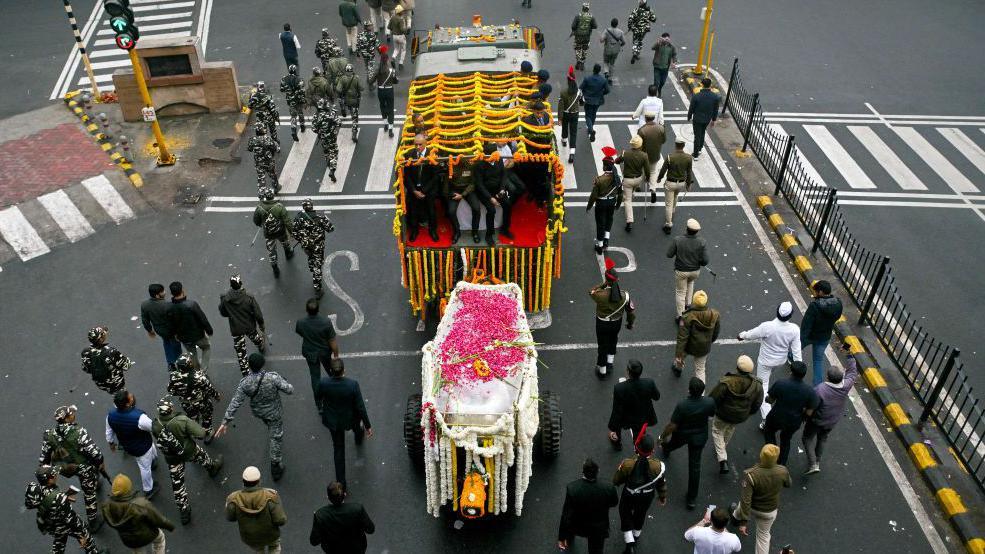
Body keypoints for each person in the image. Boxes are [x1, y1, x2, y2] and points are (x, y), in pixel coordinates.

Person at [215, 354, 294, 481]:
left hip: (259, 412)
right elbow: (290, 390)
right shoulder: (272, 377)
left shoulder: (245, 383)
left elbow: (235, 402)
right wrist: (284, 381)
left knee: (269, 425)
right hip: (274, 412)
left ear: (250, 366)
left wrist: (225, 421)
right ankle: (275, 465)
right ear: (262, 364)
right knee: (276, 437)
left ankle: (270, 428)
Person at [151, 399, 224, 524]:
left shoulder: (155, 425)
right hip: (188, 450)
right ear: (170, 409)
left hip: (172, 458)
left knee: (178, 485)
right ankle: (212, 468)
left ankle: (184, 511)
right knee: (203, 457)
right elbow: (201, 433)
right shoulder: (181, 420)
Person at [39, 405, 106, 530]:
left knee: (90, 480)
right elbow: (95, 453)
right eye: (71, 414)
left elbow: (44, 459)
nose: (73, 414)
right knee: (89, 494)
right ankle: (93, 521)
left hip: (67, 467)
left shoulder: (49, 435)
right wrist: (100, 462)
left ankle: (95, 482)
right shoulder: (78, 432)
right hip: (84, 468)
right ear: (67, 418)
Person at [737, 302, 801, 421]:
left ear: (777, 312)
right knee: (769, 379)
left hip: (765, 361)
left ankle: (767, 417)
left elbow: (751, 334)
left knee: (763, 386)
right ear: (790, 315)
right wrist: (798, 369)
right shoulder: (795, 330)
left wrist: (741, 335)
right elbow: (797, 352)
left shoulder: (767, 326)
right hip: (780, 360)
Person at [316, 358, 373, 488]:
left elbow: (318, 396)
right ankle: (358, 437)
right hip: (350, 417)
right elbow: (360, 407)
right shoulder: (352, 385)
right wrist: (368, 425)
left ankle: (341, 484)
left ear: (331, 371)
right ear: (344, 371)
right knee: (357, 427)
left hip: (333, 420)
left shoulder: (323, 383)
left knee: (338, 449)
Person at [660, 378, 716, 509]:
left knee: (672, 444)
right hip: (699, 437)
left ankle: (666, 449)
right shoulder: (710, 402)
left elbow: (672, 425)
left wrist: (662, 437)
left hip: (682, 435)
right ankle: (691, 499)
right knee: (695, 468)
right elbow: (711, 415)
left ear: (689, 390)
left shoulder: (682, 405)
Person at [26, 465, 107, 554]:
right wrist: (81, 535)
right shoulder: (60, 499)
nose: (56, 475)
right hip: (64, 522)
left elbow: (29, 504)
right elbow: (72, 520)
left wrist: (60, 499)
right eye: (54, 475)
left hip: (51, 525)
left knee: (59, 543)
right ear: (49, 480)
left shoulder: (32, 489)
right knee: (85, 536)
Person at [802, 346, 858, 475]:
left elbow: (811, 405)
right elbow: (853, 372)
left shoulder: (820, 389)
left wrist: (805, 416)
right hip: (832, 420)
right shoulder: (846, 385)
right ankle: (817, 460)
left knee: (807, 438)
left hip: (817, 420)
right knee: (822, 439)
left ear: (828, 377)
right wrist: (849, 355)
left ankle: (812, 464)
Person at [730, 444, 791, 554]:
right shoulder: (783, 471)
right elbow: (788, 484)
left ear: (761, 456)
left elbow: (746, 500)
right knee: (763, 536)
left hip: (753, 507)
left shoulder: (751, 475)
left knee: (741, 506)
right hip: (769, 511)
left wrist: (744, 522)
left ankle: (735, 519)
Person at [612, 434, 667, 553]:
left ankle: (629, 543)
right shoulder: (659, 466)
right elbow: (661, 483)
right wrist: (662, 496)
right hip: (647, 496)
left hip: (630, 494)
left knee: (625, 511)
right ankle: (636, 536)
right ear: (652, 451)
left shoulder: (628, 464)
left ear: (637, 448)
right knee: (641, 514)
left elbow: (616, 480)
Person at [709, 355, 763, 474]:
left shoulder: (727, 382)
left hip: (723, 413)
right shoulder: (757, 385)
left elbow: (714, 398)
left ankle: (722, 459)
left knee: (717, 431)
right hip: (740, 416)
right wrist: (748, 413)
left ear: (737, 367)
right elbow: (757, 403)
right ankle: (722, 447)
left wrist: (710, 410)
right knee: (730, 428)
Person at [763, 361, 819, 465]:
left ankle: (771, 453)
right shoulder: (810, 392)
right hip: (794, 422)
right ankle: (781, 464)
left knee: (769, 432)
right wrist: (802, 417)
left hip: (776, 417)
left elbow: (770, 400)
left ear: (791, 371)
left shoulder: (781, 383)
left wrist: (766, 398)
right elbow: (809, 412)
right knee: (785, 440)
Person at [557, 459, 618, 554]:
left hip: (578, 523)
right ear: (598, 471)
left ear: (583, 472)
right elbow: (614, 503)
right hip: (598, 527)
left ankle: (569, 539)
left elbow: (566, 516)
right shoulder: (608, 487)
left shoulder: (573, 488)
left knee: (570, 531)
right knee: (596, 550)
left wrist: (562, 537)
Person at [101, 473, 174, 554]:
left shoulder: (106, 505)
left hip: (128, 539)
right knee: (159, 540)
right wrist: (169, 526)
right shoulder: (140, 504)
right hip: (147, 534)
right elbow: (157, 518)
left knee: (137, 551)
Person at [106, 390, 159, 498]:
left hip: (129, 445)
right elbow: (153, 427)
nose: (132, 396)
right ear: (127, 404)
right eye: (130, 397)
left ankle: (153, 460)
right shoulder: (139, 418)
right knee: (145, 468)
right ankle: (148, 489)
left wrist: (111, 443)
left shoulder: (110, 416)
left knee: (150, 454)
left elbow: (109, 431)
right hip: (142, 446)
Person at [226, 466, 288, 554]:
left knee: (258, 550)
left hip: (250, 538)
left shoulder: (233, 499)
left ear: (243, 481)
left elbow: (230, 517)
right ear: (259, 481)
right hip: (270, 535)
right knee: (274, 548)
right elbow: (281, 520)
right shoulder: (271, 496)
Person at [590, 258, 636, 377]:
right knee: (613, 340)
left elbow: (591, 291)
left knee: (602, 345)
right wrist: (630, 323)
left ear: (607, 280)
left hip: (602, 323)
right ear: (618, 279)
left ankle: (602, 371)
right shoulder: (625, 295)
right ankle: (610, 363)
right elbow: (631, 312)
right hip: (616, 323)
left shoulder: (600, 295)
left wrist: (603, 284)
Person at [219, 274, 266, 376]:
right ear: (240, 283)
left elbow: (223, 312)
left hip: (236, 328)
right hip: (249, 326)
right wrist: (261, 324)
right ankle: (260, 345)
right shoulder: (248, 297)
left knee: (241, 353)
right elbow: (257, 313)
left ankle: (245, 374)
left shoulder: (225, 298)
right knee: (255, 338)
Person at [310, 482, 376, 553]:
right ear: (344, 494)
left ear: (328, 497)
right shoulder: (357, 509)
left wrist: (317, 521)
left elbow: (314, 541)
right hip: (356, 550)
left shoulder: (320, 515)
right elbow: (370, 529)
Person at [607, 359, 659, 450]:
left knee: (618, 425)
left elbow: (617, 410)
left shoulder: (619, 388)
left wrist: (612, 426)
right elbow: (657, 397)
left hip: (626, 417)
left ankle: (617, 442)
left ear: (628, 372)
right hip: (642, 415)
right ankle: (640, 448)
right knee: (639, 433)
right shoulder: (649, 383)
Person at [800, 280, 844, 386]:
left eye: (816, 291)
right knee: (818, 362)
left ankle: (791, 357)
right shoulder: (838, 303)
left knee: (796, 348)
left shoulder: (815, 305)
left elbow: (806, 324)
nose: (815, 293)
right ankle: (817, 386)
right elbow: (837, 317)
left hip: (811, 335)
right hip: (824, 337)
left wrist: (801, 338)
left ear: (820, 292)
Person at [167, 352, 221, 438]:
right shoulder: (199, 376)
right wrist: (217, 396)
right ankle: (207, 432)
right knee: (207, 416)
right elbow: (209, 389)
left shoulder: (174, 376)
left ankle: (196, 431)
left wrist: (182, 393)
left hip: (186, 403)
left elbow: (171, 391)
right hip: (201, 402)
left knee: (192, 416)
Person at [296, 298, 340, 399]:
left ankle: (319, 403)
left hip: (310, 352)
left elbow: (300, 333)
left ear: (307, 310)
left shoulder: (301, 322)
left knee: (315, 377)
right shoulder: (326, 322)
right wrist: (336, 356)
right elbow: (332, 342)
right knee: (332, 372)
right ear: (318, 309)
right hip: (324, 352)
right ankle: (336, 392)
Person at [292, 199, 336, 299]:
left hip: (306, 246)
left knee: (311, 257)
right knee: (318, 264)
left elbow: (294, 233)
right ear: (312, 206)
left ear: (303, 207)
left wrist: (302, 239)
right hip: (318, 245)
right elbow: (331, 229)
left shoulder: (298, 217)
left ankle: (312, 267)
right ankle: (317, 288)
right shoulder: (320, 217)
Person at [473, 141, 514, 246]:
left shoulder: (498, 159)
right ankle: (489, 235)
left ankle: (505, 229)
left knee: (508, 205)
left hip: (497, 189)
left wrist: (502, 189)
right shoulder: (479, 164)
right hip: (484, 192)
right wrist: (490, 198)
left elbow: (503, 175)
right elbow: (479, 184)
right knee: (491, 210)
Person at [674, 290, 721, 382]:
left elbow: (682, 338)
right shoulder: (715, 314)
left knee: (681, 358)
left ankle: (678, 368)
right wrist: (710, 341)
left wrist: (678, 354)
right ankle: (701, 394)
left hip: (689, 346)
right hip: (704, 347)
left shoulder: (687, 317)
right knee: (700, 370)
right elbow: (716, 332)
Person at [667, 218, 709, 319]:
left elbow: (669, 254)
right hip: (694, 271)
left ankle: (681, 315)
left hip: (681, 271)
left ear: (687, 228)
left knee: (680, 292)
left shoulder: (678, 240)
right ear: (697, 231)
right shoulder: (702, 242)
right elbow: (705, 261)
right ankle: (688, 304)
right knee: (690, 283)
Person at [168, 281, 214, 372]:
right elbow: (202, 318)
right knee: (206, 348)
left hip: (185, 338)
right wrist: (209, 330)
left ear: (171, 293)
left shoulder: (170, 308)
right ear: (182, 291)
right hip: (199, 335)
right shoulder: (192, 304)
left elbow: (171, 324)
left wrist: (176, 335)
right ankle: (203, 370)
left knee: (192, 353)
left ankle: (196, 370)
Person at [403, 133, 440, 242]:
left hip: (428, 189)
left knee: (431, 210)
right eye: (416, 145)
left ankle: (433, 230)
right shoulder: (409, 154)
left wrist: (423, 191)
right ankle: (414, 231)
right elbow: (407, 176)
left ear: (426, 143)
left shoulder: (433, 155)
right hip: (414, 189)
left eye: (420, 145)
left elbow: (435, 176)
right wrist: (414, 191)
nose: (417, 147)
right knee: (413, 211)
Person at [253, 187, 295, 279]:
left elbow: (256, 221)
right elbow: (287, 222)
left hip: (269, 234)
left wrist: (261, 223)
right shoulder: (279, 207)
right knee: (285, 243)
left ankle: (275, 268)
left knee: (271, 251)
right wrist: (292, 233)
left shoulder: (260, 207)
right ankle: (288, 254)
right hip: (280, 231)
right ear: (272, 196)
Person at [586, 148, 622, 253]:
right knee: (609, 220)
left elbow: (593, 196)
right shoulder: (617, 178)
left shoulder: (599, 180)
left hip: (601, 203)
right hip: (612, 202)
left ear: (605, 166)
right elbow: (620, 193)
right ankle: (606, 239)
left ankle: (600, 245)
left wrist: (589, 206)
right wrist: (618, 205)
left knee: (600, 223)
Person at [655, 138, 694, 234]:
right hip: (681, 183)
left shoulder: (670, 157)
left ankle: (668, 224)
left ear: (675, 145)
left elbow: (663, 170)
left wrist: (659, 178)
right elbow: (689, 173)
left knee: (668, 203)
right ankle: (673, 210)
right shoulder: (688, 158)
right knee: (676, 196)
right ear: (683, 146)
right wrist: (688, 185)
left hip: (670, 183)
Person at [80, 325, 132, 395]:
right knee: (122, 397)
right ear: (101, 339)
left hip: (101, 383)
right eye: (103, 333)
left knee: (115, 394)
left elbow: (86, 369)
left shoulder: (85, 352)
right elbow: (127, 366)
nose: (105, 333)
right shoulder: (111, 352)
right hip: (116, 383)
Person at [614, 135, 650, 232]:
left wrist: (622, 155)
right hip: (638, 179)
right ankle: (633, 192)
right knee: (633, 188)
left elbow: (616, 161)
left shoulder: (626, 153)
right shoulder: (644, 155)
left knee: (627, 201)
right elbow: (647, 170)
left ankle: (629, 221)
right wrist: (648, 178)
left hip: (628, 180)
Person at [140, 283, 181, 369]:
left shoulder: (145, 305)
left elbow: (145, 320)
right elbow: (174, 320)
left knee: (166, 343)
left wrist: (150, 330)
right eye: (162, 292)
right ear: (157, 295)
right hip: (171, 331)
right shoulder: (167, 305)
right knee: (176, 345)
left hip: (159, 330)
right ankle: (180, 362)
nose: (165, 292)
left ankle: (171, 363)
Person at [445, 157, 481, 244]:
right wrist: (449, 194)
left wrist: (463, 194)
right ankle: (457, 232)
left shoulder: (471, 166)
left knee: (476, 209)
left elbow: (473, 183)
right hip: (455, 189)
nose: (460, 159)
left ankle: (475, 232)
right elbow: (446, 183)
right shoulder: (451, 165)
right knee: (451, 211)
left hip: (467, 189)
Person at [688, 78, 721, 159]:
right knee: (703, 132)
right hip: (707, 119)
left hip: (697, 119)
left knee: (697, 136)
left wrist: (689, 117)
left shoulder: (697, 96)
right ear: (710, 85)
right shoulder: (715, 97)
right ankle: (700, 148)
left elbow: (691, 108)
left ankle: (695, 155)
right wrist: (713, 120)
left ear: (702, 85)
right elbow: (715, 109)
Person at [312, 98, 343, 182]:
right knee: (334, 152)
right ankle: (332, 170)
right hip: (332, 137)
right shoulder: (330, 114)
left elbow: (313, 129)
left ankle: (328, 163)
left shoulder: (316, 115)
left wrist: (320, 131)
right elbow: (339, 123)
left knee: (326, 150)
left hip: (323, 137)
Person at [557, 65, 581, 165]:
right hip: (575, 114)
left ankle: (564, 140)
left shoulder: (563, 92)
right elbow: (582, 102)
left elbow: (560, 106)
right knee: (574, 132)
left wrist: (559, 118)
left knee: (565, 128)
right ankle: (572, 153)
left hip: (566, 114)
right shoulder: (579, 91)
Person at [637, 110, 665, 194]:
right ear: (654, 118)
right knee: (653, 171)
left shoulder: (642, 130)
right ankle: (653, 188)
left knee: (641, 170)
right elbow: (663, 140)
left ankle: (638, 186)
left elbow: (639, 144)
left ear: (645, 118)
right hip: (655, 154)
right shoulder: (661, 128)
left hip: (643, 154)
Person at [579, 63, 610, 142]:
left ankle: (591, 129)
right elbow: (607, 90)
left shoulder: (587, 78)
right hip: (598, 100)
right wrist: (601, 93)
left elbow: (580, 88)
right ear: (599, 71)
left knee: (588, 116)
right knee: (594, 114)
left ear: (593, 70)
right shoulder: (603, 80)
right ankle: (591, 127)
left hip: (588, 100)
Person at [247, 122, 280, 190]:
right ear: (262, 130)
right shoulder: (267, 139)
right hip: (268, 161)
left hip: (258, 162)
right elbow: (276, 148)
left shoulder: (252, 140)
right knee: (272, 174)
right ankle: (276, 187)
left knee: (261, 177)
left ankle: (262, 193)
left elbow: (249, 149)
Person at [373, 46, 398, 137]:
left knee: (382, 106)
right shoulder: (391, 70)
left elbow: (371, 80)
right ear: (387, 60)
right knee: (390, 109)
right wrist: (394, 70)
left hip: (380, 91)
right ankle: (391, 129)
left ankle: (385, 124)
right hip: (389, 91)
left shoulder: (377, 69)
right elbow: (396, 81)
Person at [336, 64, 364, 142]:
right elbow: (362, 88)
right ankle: (354, 132)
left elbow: (338, 89)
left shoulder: (342, 78)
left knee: (351, 111)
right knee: (355, 117)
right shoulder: (356, 78)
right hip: (355, 100)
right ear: (352, 70)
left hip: (347, 100)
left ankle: (351, 116)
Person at [279, 64, 306, 142]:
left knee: (293, 116)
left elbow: (282, 89)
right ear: (295, 70)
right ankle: (302, 126)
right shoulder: (299, 79)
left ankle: (293, 130)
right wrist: (304, 99)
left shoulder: (284, 79)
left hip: (290, 100)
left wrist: (289, 91)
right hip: (298, 100)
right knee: (300, 113)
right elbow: (302, 91)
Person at [627, 0, 657, 64]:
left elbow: (630, 19)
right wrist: (651, 12)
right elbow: (654, 19)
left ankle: (635, 52)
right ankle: (637, 53)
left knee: (635, 41)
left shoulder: (636, 10)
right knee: (640, 40)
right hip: (644, 30)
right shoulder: (649, 11)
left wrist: (630, 26)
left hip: (636, 29)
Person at [570, 3, 598, 71]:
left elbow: (573, 26)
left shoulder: (578, 16)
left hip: (578, 36)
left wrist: (574, 31)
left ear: (582, 8)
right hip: (587, 36)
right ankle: (582, 62)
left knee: (578, 48)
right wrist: (589, 27)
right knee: (585, 49)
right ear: (588, 9)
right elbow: (595, 26)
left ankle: (578, 60)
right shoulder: (591, 17)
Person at [325, 44, 351, 116]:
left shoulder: (330, 62)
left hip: (335, 81)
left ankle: (341, 105)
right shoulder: (345, 60)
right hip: (345, 80)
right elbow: (349, 71)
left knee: (338, 95)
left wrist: (328, 84)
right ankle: (345, 101)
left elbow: (329, 75)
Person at [355, 21, 380, 91]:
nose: (371, 27)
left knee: (367, 67)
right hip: (371, 55)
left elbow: (358, 45)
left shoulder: (360, 35)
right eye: (370, 26)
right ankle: (371, 84)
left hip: (364, 54)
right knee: (371, 69)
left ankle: (368, 78)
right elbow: (377, 44)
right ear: (366, 27)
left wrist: (358, 54)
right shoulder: (372, 35)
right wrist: (381, 53)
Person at [651, 32, 677, 97]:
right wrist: (658, 42)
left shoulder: (671, 47)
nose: (666, 40)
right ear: (662, 38)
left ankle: (659, 89)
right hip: (657, 67)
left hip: (665, 68)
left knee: (662, 82)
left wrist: (674, 62)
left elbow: (674, 55)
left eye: (667, 39)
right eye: (665, 38)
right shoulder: (659, 44)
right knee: (656, 82)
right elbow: (652, 48)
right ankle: (654, 94)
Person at [388, 4, 410, 70]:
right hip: (401, 36)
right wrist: (406, 31)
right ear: (400, 12)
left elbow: (388, 27)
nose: (403, 12)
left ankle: (393, 57)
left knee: (396, 49)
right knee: (403, 50)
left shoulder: (392, 18)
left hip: (394, 36)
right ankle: (401, 63)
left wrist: (393, 30)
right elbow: (402, 29)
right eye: (402, 11)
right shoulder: (400, 19)